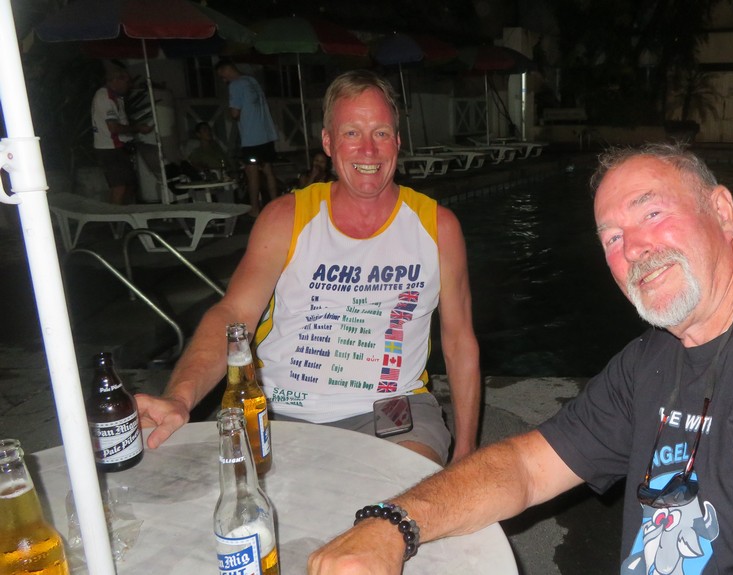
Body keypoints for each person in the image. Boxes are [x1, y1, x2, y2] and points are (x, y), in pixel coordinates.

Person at [307, 142, 733, 574]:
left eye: (651, 213)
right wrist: (390, 524)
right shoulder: (655, 359)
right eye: (611, 236)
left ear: (723, 211)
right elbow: (522, 466)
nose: (633, 247)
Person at [135, 70, 481, 467]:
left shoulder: (437, 227)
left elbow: (459, 340)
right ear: (328, 143)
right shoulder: (286, 217)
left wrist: (467, 451)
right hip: (281, 409)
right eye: (352, 133)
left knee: (409, 494)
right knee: (251, 498)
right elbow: (233, 314)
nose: (369, 150)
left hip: (392, 409)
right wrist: (180, 397)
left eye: (381, 133)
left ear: (398, 142)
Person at [215, 60, 279, 217]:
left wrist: (231, 111)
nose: (223, 80)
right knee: (268, 171)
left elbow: (235, 113)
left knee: (252, 173)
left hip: (252, 137)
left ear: (226, 70)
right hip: (267, 133)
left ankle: (255, 209)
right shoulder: (251, 80)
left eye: (222, 76)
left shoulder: (235, 85)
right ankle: (277, 206)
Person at [91, 63, 151, 204]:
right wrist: (137, 128)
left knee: (128, 185)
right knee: (119, 187)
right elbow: (113, 127)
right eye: (126, 81)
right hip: (110, 147)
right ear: (115, 80)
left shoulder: (116, 97)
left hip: (117, 147)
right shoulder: (105, 97)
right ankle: (115, 215)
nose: (128, 85)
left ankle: (121, 212)